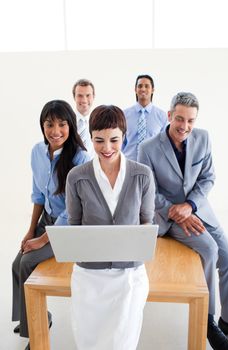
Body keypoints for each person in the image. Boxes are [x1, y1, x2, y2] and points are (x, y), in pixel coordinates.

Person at [138, 92, 228, 350]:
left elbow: (208, 178)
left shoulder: (203, 138)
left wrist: (190, 205)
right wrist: (175, 211)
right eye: (179, 119)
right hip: (169, 217)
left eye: (190, 121)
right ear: (169, 116)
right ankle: (208, 321)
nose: (185, 126)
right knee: (210, 249)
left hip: (198, 209)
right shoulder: (147, 148)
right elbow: (148, 191)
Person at [66, 105, 155, 350]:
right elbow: (74, 226)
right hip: (89, 277)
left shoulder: (142, 175)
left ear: (124, 137)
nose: (107, 148)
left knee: (121, 342)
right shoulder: (76, 177)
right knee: (89, 341)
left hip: (129, 276)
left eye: (114, 140)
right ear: (90, 138)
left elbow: (147, 222)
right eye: (99, 141)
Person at [12, 100, 90, 350]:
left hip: (68, 227)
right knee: (16, 264)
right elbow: (38, 195)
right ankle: (38, 317)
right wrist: (30, 231)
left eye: (62, 124)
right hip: (46, 221)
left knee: (28, 262)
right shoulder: (37, 152)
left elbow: (73, 209)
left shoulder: (81, 158)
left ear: (71, 126)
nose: (55, 130)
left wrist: (43, 239)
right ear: (42, 126)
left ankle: (35, 331)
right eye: (49, 124)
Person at [122, 74, 167, 161]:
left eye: (147, 86)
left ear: (152, 90)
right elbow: (120, 142)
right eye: (140, 86)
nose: (143, 89)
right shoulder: (124, 114)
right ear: (135, 89)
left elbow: (165, 144)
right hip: (128, 163)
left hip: (152, 164)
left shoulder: (162, 116)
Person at [72, 78, 95, 158]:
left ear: (93, 97)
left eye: (88, 95)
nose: (84, 100)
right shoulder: (67, 122)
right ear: (74, 97)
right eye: (80, 96)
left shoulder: (99, 121)